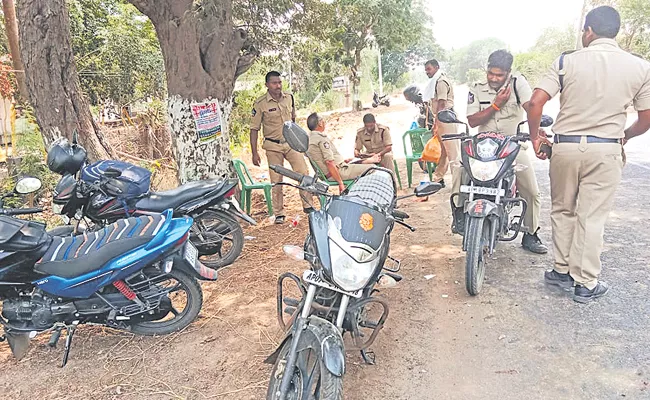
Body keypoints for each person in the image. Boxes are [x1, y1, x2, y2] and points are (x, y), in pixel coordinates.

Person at [527, 6, 650, 302]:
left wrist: (535, 137)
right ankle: (585, 283)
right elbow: (646, 118)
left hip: (565, 147)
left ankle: (561, 270)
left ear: (589, 30)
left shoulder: (565, 61)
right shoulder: (640, 67)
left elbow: (534, 103)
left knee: (562, 209)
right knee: (591, 217)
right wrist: (625, 136)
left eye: (584, 31)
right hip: (606, 148)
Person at [456, 49, 547, 254]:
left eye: (499, 75)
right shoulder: (476, 88)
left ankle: (531, 233)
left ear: (508, 72)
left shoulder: (517, 83)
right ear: (486, 69)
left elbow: (531, 106)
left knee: (531, 190)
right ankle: (460, 216)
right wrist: (496, 106)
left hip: (512, 146)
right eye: (491, 73)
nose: (494, 78)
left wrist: (535, 129)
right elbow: (472, 120)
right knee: (459, 172)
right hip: (483, 146)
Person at [250, 71, 313, 224]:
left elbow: (293, 120)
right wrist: (254, 153)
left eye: (279, 82)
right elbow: (254, 129)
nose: (278, 86)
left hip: (291, 144)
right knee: (276, 180)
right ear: (267, 85)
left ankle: (308, 206)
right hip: (273, 146)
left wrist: (299, 142)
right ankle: (279, 213)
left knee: (303, 173)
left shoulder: (289, 98)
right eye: (274, 83)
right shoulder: (260, 104)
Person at [307, 113, 380, 193]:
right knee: (373, 168)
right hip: (336, 172)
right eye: (323, 121)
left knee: (355, 161)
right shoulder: (321, 139)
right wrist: (340, 183)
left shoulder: (309, 139)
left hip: (331, 171)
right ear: (320, 123)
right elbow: (329, 162)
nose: (324, 123)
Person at [423, 59, 460, 187]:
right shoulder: (435, 81)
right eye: (426, 69)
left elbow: (442, 103)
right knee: (443, 152)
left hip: (446, 119)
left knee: (452, 152)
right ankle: (438, 178)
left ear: (436, 67)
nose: (427, 72)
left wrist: (436, 123)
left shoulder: (440, 82)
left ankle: (458, 180)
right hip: (442, 119)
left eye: (429, 69)